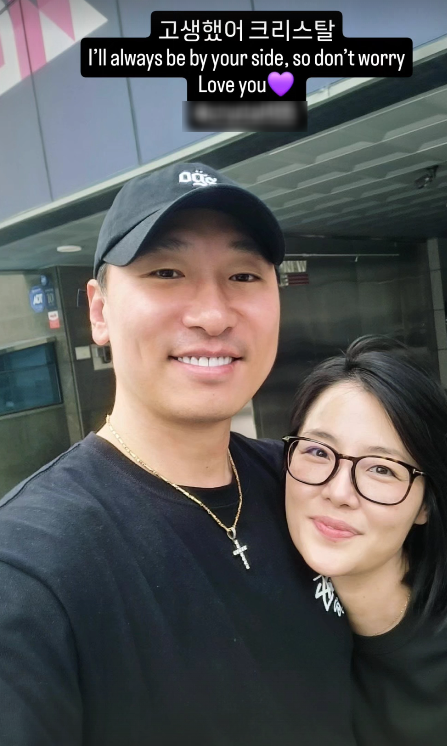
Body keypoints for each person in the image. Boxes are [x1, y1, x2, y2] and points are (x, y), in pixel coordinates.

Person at [0, 162, 355, 746]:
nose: (213, 315)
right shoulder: (30, 567)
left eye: (243, 275)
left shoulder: (307, 483)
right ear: (98, 311)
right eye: (166, 272)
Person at [284, 335, 447, 746]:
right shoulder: (277, 644)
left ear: (426, 505)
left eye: (382, 469)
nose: (339, 492)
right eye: (319, 452)